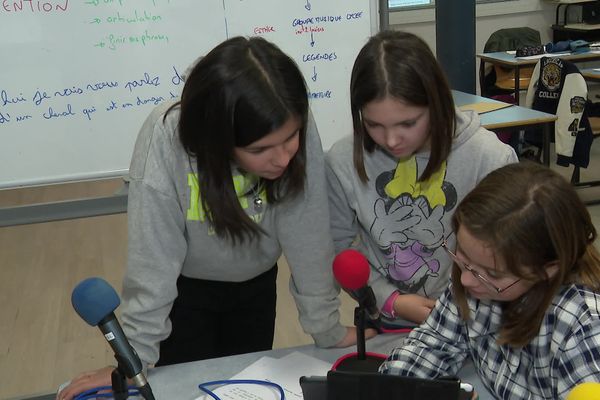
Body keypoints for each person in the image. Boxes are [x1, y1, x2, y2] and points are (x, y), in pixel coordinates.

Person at [58, 36, 363, 400]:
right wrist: (132, 359)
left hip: (257, 287)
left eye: (290, 138)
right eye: (259, 150)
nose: (282, 158)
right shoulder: (166, 137)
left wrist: (326, 327)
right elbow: (153, 260)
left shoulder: (286, 117)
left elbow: (307, 230)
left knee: (244, 386)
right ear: (217, 140)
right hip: (186, 296)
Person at [325, 30, 518, 326]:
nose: (391, 140)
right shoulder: (342, 160)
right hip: (385, 321)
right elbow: (339, 248)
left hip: (477, 322)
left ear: (436, 102)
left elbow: (513, 257)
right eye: (374, 124)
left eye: (408, 123)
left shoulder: (489, 158)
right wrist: (391, 301)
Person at [380, 162, 600, 399]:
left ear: (547, 270)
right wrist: (392, 388)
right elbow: (434, 341)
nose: (465, 280)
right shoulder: (478, 277)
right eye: (462, 254)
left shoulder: (583, 331)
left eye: (491, 274)